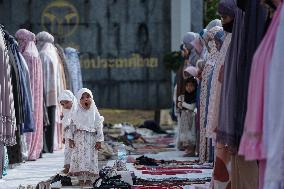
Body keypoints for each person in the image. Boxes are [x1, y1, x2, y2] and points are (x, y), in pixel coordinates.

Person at [68, 88, 104, 186]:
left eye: (88, 97)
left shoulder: (94, 113)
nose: (86, 100)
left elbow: (99, 126)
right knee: (79, 157)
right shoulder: (76, 112)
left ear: (91, 98)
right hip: (78, 139)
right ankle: (80, 179)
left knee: (90, 157)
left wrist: (99, 140)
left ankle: (88, 178)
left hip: (91, 139)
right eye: (82, 98)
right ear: (78, 100)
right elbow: (71, 126)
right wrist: (70, 139)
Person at [176, 77, 197, 156]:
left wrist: (182, 104)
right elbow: (179, 105)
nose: (189, 88)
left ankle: (192, 149)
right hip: (184, 117)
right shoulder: (184, 96)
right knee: (185, 133)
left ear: (195, 87)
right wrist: (180, 104)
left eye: (191, 86)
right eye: (187, 86)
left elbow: (192, 107)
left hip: (192, 117)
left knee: (191, 133)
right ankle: (188, 148)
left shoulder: (195, 96)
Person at [58, 90, 77, 174]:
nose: (65, 106)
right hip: (68, 136)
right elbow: (65, 126)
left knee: (75, 152)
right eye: (62, 104)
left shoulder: (77, 111)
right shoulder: (66, 113)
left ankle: (75, 168)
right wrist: (64, 137)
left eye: (66, 103)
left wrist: (71, 137)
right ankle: (67, 166)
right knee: (67, 152)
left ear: (72, 100)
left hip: (75, 136)